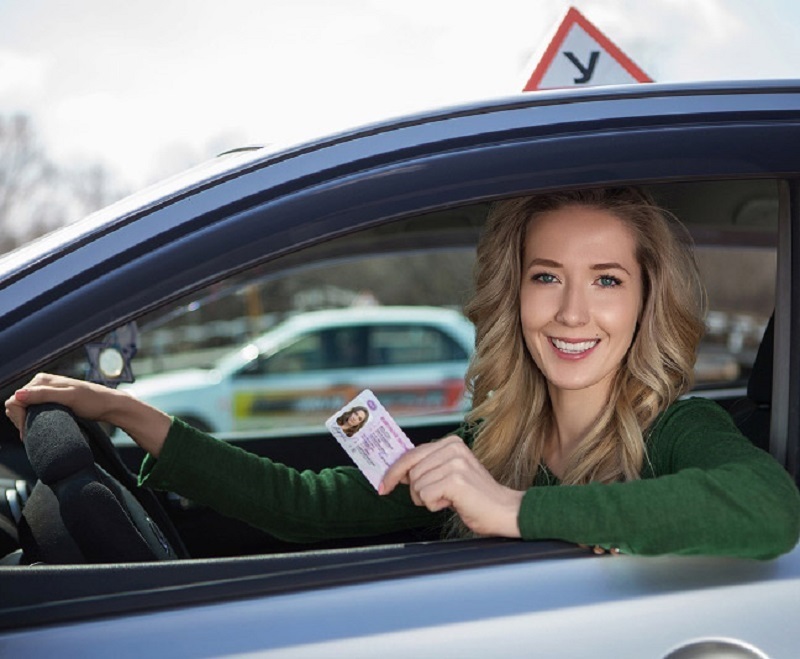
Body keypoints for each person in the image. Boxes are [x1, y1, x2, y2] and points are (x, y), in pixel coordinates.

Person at [6, 187, 800, 558]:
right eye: (547, 275)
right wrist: (131, 414)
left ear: (644, 299)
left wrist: (515, 509)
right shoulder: (489, 439)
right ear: (513, 293)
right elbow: (303, 508)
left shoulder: (676, 430)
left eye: (608, 280)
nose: (571, 313)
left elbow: (770, 510)